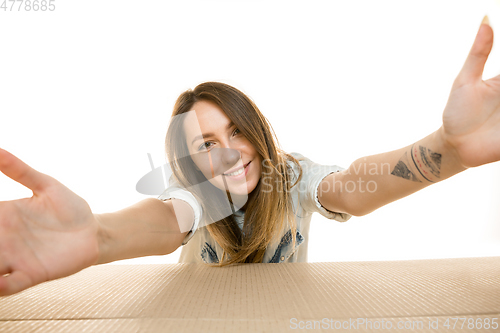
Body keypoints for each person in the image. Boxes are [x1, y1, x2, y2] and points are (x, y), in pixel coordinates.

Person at [1, 16, 499, 296]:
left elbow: (349, 188)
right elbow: (165, 221)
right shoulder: (193, 198)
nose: (229, 154)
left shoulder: (291, 177)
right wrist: (99, 237)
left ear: (256, 130)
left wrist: (447, 152)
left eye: (235, 130)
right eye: (206, 145)